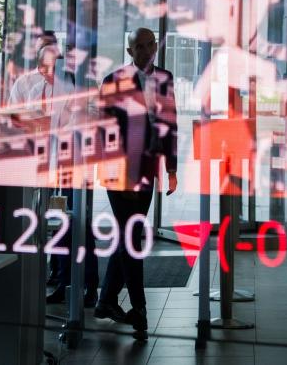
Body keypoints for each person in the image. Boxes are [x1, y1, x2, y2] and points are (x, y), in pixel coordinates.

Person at [94, 28, 178, 340]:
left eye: (149, 45)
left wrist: (171, 167)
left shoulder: (165, 79)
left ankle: (105, 302)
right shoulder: (113, 80)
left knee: (130, 232)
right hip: (119, 170)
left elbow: (171, 124)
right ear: (130, 51)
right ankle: (140, 308)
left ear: (156, 47)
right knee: (133, 237)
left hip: (146, 168)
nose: (144, 51)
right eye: (137, 47)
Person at [34, 43, 100, 307]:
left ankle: (89, 285)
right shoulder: (42, 88)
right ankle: (63, 281)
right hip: (53, 164)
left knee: (79, 223)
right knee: (61, 222)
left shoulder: (83, 88)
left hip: (78, 164)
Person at [7, 31, 58, 107]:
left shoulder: (67, 80)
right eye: (42, 47)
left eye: (50, 46)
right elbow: (13, 114)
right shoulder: (22, 82)